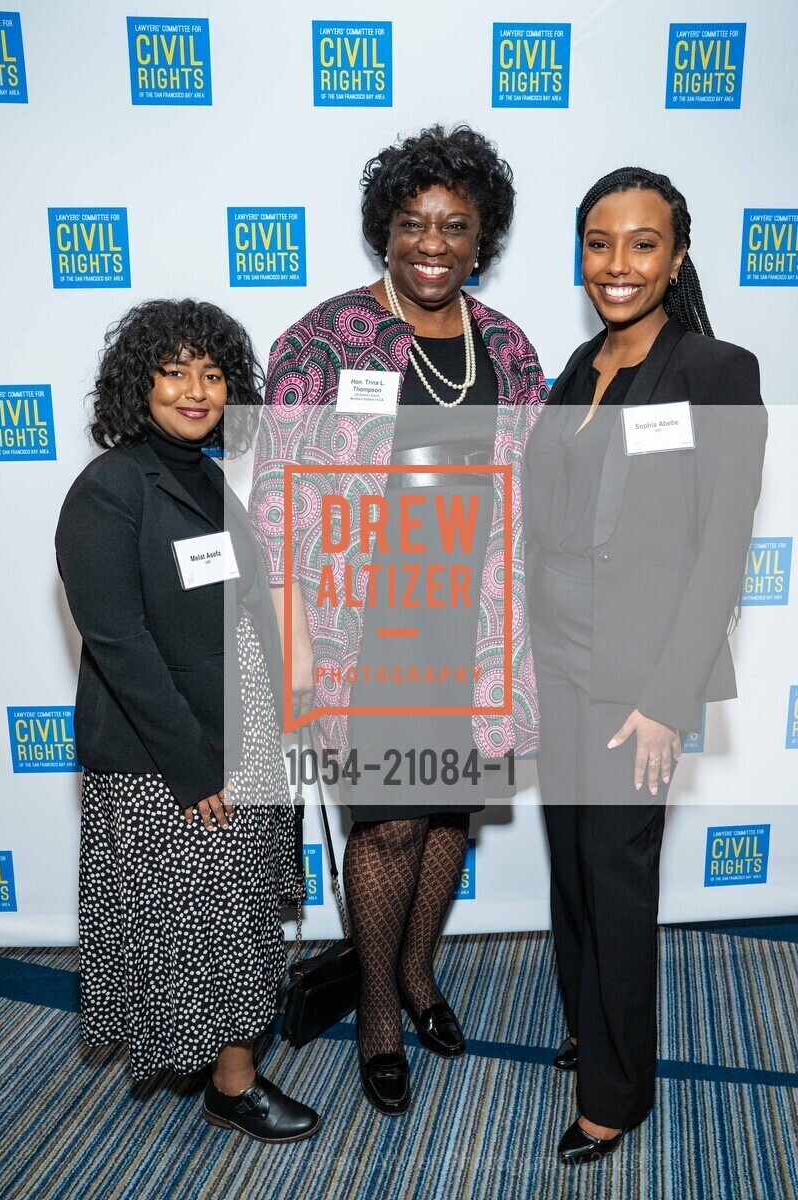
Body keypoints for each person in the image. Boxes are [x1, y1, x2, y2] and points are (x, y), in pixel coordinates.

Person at [250, 125, 547, 1114]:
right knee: (385, 830)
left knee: (449, 819)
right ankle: (379, 1007)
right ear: (385, 229)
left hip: (474, 626)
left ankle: (420, 974)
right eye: (414, 222)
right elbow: (274, 507)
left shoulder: (505, 347)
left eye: (454, 226)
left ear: (479, 239)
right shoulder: (323, 341)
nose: (433, 242)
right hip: (364, 632)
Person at [523, 167, 767, 1163]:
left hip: (636, 683)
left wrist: (670, 699)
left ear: (675, 255)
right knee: (572, 871)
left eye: (639, 243)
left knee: (617, 880)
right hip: (557, 665)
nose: (613, 264)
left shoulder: (715, 370)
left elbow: (719, 548)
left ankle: (616, 1093)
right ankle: (589, 1025)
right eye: (596, 242)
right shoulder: (575, 370)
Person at [55, 299, 320, 1144]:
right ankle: (230, 1081)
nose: (197, 390)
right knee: (202, 923)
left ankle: (222, 1069)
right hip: (171, 758)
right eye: (174, 371)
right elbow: (119, 642)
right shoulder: (108, 489)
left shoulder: (206, 476)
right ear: (141, 383)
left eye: (212, 372)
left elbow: (239, 609)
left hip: (240, 734)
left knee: (234, 916)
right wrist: (194, 764)